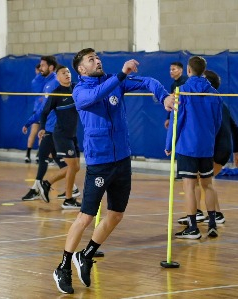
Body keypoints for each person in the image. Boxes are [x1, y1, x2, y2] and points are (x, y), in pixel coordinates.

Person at [53, 48, 174, 294]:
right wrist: (119, 75)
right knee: (85, 217)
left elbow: (149, 81)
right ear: (81, 69)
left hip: (122, 160)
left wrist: (164, 98)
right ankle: (63, 265)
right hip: (100, 162)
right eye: (91, 59)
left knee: (116, 215)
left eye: (97, 57)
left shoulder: (115, 82)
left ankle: (86, 255)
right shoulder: (80, 90)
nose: (97, 61)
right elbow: (96, 95)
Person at [177, 70, 238, 226]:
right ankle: (208, 214)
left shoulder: (209, 104)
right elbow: (236, 128)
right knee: (204, 182)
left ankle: (203, 213)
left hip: (215, 149)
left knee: (198, 182)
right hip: (223, 149)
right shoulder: (219, 103)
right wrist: (236, 151)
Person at [165, 56, 222, 239]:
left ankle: (192, 228)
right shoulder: (214, 93)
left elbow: (176, 121)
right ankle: (212, 224)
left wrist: (169, 144)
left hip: (187, 147)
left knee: (189, 186)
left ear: (189, 71)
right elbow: (217, 122)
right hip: (206, 147)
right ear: (203, 71)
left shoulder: (182, 91)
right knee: (208, 185)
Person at [39, 65, 82, 208]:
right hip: (61, 135)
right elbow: (44, 112)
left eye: (68, 72)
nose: (67, 74)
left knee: (75, 168)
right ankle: (67, 198)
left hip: (72, 135)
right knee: (72, 166)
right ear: (57, 77)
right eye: (63, 73)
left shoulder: (76, 88)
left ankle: (47, 184)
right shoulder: (56, 94)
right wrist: (42, 128)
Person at [25, 57, 58, 163]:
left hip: (51, 120)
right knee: (40, 135)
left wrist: (29, 122)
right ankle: (40, 157)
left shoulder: (52, 83)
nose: (40, 68)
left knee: (42, 136)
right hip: (44, 116)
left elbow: (44, 107)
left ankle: (42, 156)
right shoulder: (45, 82)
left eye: (42, 65)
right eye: (39, 66)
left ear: (51, 67)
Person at [164, 61, 188, 129]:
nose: (171, 71)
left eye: (173, 69)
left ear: (180, 70)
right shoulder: (173, 85)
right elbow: (172, 102)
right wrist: (169, 118)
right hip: (177, 114)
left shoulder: (186, 82)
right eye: (170, 70)